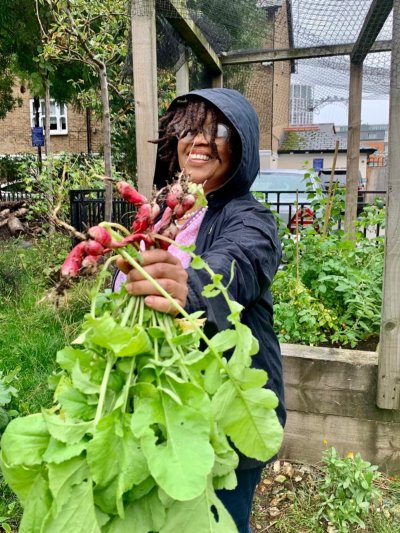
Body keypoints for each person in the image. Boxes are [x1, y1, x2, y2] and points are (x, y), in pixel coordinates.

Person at [115, 88, 286, 533]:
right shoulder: (164, 215)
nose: (203, 140)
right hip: (164, 406)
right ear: (175, 139)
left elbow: (237, 264)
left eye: (221, 131)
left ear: (242, 146)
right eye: (191, 128)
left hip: (225, 412)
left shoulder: (250, 219)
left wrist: (186, 287)